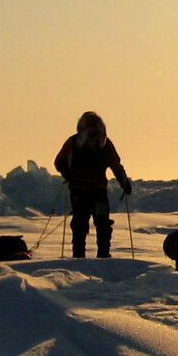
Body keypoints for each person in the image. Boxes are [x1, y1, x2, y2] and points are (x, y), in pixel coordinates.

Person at [54, 111, 132, 259]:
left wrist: (124, 182)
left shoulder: (76, 142)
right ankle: (95, 255)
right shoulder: (100, 143)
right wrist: (124, 182)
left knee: (88, 223)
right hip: (90, 191)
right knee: (89, 223)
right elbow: (116, 165)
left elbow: (59, 162)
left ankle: (88, 255)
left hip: (85, 190)